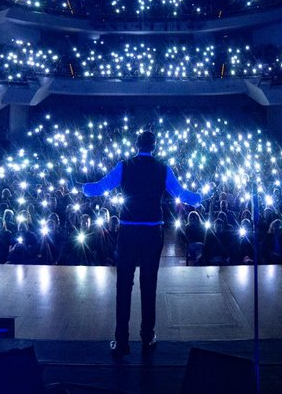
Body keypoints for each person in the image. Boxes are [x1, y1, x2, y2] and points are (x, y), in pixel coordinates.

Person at [83, 130, 203, 358]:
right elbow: (181, 193)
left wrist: (82, 187)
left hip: (128, 231)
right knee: (149, 284)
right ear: (154, 146)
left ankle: (121, 341)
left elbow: (100, 187)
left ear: (136, 144)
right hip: (152, 232)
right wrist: (199, 198)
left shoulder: (124, 166)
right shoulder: (163, 168)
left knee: (123, 285)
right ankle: (147, 337)